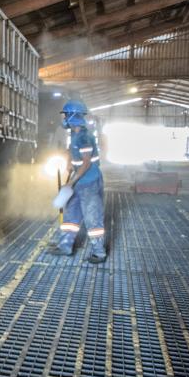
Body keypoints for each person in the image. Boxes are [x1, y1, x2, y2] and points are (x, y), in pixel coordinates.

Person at [50, 99, 107, 263]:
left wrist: (70, 182)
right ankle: (65, 246)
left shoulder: (84, 136)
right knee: (71, 213)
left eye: (66, 114)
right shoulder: (74, 133)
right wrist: (69, 163)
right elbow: (72, 151)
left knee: (91, 217)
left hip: (89, 181)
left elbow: (87, 162)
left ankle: (99, 252)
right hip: (79, 181)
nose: (64, 117)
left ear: (74, 115)